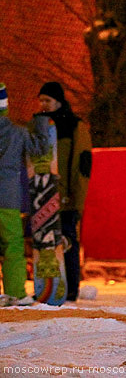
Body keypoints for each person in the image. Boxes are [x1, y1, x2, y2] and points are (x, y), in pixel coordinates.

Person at [38, 82, 92, 301]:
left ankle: (70, 287)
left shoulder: (74, 126)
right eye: (41, 100)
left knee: (67, 242)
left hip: (65, 196)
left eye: (47, 100)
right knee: (45, 243)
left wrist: (75, 198)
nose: (43, 104)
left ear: (58, 102)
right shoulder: (38, 125)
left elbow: (81, 165)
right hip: (42, 195)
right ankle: (48, 287)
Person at [0, 83, 50, 305]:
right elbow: (40, 148)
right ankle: (15, 292)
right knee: (12, 244)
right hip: (7, 197)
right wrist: (40, 120)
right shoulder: (17, 133)